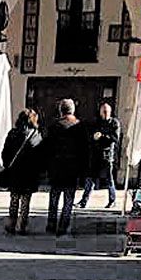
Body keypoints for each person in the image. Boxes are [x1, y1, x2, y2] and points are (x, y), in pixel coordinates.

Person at [44, 98, 88, 237]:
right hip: (72, 169)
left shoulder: (54, 126)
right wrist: (84, 171)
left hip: (56, 168)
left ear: (60, 110)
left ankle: (51, 224)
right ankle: (63, 226)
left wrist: (47, 166)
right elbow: (85, 151)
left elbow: (47, 148)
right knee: (69, 199)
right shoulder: (80, 127)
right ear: (73, 110)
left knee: (54, 198)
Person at [0, 108, 44, 235]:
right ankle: (21, 225)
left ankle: (11, 223)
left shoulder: (13, 133)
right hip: (30, 173)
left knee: (14, 198)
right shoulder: (36, 135)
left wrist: (7, 165)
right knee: (25, 200)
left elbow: (5, 152)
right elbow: (39, 155)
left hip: (15, 171)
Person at [78, 102, 121, 209]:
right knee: (90, 179)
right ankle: (84, 201)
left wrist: (102, 136)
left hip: (107, 156)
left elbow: (115, 138)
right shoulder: (97, 122)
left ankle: (112, 200)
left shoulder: (114, 123)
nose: (105, 113)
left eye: (107, 111)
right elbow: (90, 136)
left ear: (110, 112)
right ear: (100, 112)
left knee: (109, 179)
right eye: (103, 111)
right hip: (96, 155)